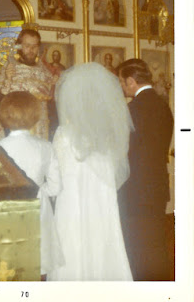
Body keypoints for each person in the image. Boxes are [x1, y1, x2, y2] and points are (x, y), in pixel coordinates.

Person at [48, 62, 133, 281]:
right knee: (103, 240)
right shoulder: (107, 135)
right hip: (101, 200)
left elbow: (56, 175)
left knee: (72, 245)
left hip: (71, 201)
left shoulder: (63, 134)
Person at [0, 91, 64, 279]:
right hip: (37, 208)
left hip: (7, 212)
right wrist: (40, 190)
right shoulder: (45, 147)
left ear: (3, 115)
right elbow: (56, 187)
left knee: (10, 267)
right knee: (37, 262)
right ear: (35, 116)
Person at [117, 58, 173, 281]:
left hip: (135, 189)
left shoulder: (132, 110)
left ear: (131, 81)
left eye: (122, 82)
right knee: (157, 240)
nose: (122, 87)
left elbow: (124, 151)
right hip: (158, 184)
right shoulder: (163, 105)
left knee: (138, 245)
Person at [0, 29, 56, 147]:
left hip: (40, 125)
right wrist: (8, 80)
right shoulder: (10, 68)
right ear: (20, 46)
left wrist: (54, 86)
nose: (31, 50)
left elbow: (51, 101)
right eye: (27, 46)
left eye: (34, 46)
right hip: (16, 126)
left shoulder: (45, 72)